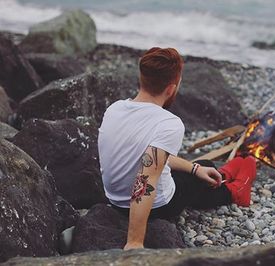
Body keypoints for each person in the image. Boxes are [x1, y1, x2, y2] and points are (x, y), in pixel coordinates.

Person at [98, 47, 257, 250]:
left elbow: (147, 157)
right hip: (157, 207)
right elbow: (145, 180)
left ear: (141, 79)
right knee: (198, 178)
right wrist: (135, 242)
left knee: (200, 168)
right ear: (171, 88)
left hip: (114, 200)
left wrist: (195, 169)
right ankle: (234, 191)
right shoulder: (169, 123)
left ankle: (220, 173)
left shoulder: (115, 109)